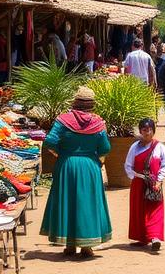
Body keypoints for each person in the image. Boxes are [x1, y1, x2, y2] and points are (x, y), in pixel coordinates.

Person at [40, 86, 113, 257]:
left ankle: (69, 245)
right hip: (89, 167)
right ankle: (87, 247)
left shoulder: (63, 120)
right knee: (87, 203)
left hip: (67, 165)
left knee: (68, 201)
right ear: (92, 105)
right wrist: (98, 158)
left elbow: (49, 141)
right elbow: (105, 148)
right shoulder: (98, 123)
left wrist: (60, 153)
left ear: (75, 102)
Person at [124, 117, 165, 250]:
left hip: (154, 184)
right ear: (140, 131)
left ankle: (154, 237)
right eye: (144, 130)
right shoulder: (134, 147)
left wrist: (159, 180)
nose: (147, 132)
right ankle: (142, 237)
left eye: (149, 130)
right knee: (139, 210)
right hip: (138, 183)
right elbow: (128, 165)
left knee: (154, 208)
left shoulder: (159, 147)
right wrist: (136, 178)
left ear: (153, 131)